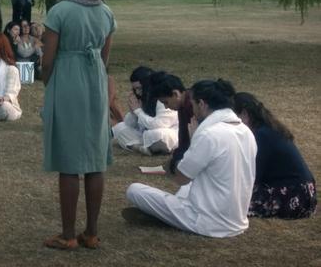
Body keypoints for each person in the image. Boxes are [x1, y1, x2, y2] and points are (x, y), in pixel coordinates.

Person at [40, 0, 115, 250]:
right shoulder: (106, 11)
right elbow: (105, 56)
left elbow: (47, 60)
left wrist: (51, 83)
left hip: (67, 80)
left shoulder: (60, 11)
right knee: (96, 159)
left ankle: (68, 234)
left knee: (69, 161)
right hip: (95, 80)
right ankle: (92, 232)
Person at [124, 80, 257, 238]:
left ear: (201, 104)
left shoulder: (209, 134)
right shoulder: (246, 132)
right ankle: (170, 212)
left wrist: (194, 141)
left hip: (207, 222)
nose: (192, 110)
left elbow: (181, 178)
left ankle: (167, 215)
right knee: (188, 189)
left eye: (193, 104)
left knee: (134, 190)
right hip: (238, 220)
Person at [232, 92, 316, 219]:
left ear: (244, 114)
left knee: (232, 205)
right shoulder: (268, 129)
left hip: (294, 195)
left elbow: (252, 177)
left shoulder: (261, 136)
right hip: (305, 194)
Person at [112, 67, 179, 155]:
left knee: (159, 134)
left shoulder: (162, 98)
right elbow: (129, 124)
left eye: (139, 88)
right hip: (146, 135)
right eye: (135, 89)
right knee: (120, 128)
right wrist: (133, 112)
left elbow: (159, 125)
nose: (138, 92)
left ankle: (140, 147)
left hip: (168, 133)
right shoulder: (142, 98)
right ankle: (141, 148)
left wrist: (138, 112)